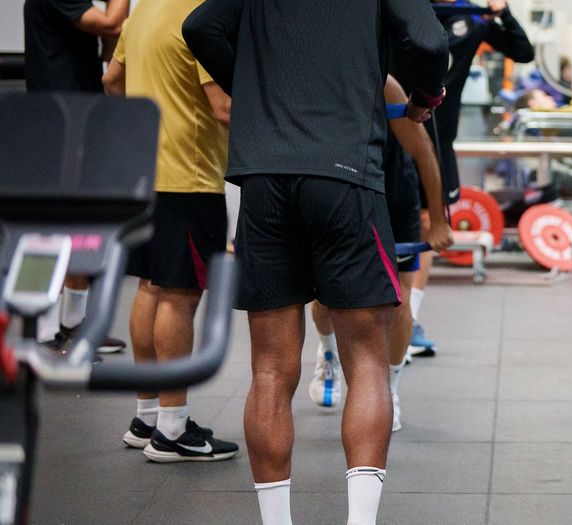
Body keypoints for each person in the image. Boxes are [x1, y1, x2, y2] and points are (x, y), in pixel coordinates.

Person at [183, 0, 448, 523]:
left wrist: (258, 88)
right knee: (366, 360)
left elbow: (200, 25)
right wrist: (425, 97)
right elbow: (430, 42)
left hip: (264, 176)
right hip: (345, 171)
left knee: (269, 370)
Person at [101, 0, 238, 462]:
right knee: (179, 296)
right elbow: (221, 107)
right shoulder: (201, 14)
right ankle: (174, 430)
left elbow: (111, 81)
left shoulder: (144, 9)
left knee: (150, 289)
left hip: (145, 173)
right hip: (190, 177)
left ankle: (147, 416)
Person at [308, 75, 454, 435]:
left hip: (392, 194)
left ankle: (389, 391)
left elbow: (422, 151)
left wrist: (437, 220)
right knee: (325, 300)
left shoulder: (383, 83)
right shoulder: (311, 75)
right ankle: (328, 354)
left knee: (397, 300)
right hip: (334, 192)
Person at [409, 0, 535, 357]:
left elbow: (523, 52)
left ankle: (410, 318)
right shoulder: (402, 11)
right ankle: (381, 316)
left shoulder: (471, 20)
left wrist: (503, 12)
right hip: (390, 137)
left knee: (426, 223)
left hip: (436, 141)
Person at [23, 0, 130, 355]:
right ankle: (40, 328)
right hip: (59, 119)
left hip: (80, 113)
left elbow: (110, 46)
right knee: (53, 226)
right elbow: (112, 22)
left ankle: (74, 325)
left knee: (83, 224)